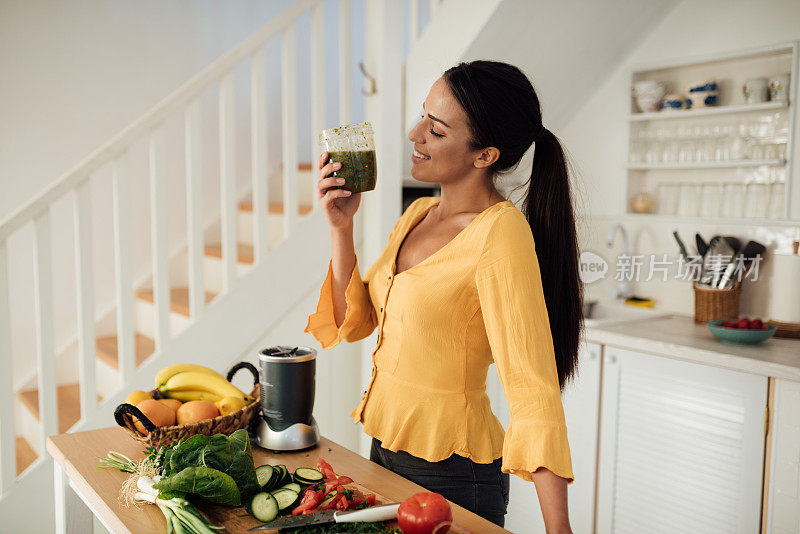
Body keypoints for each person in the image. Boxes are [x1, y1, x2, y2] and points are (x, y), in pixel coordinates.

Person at [304, 60, 582, 533]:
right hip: (382, 449)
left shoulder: (500, 234)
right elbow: (358, 319)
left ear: (484, 155)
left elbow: (532, 387)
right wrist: (341, 228)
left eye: (435, 129)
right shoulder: (419, 213)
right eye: (422, 117)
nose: (414, 134)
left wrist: (560, 530)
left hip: (453, 472)